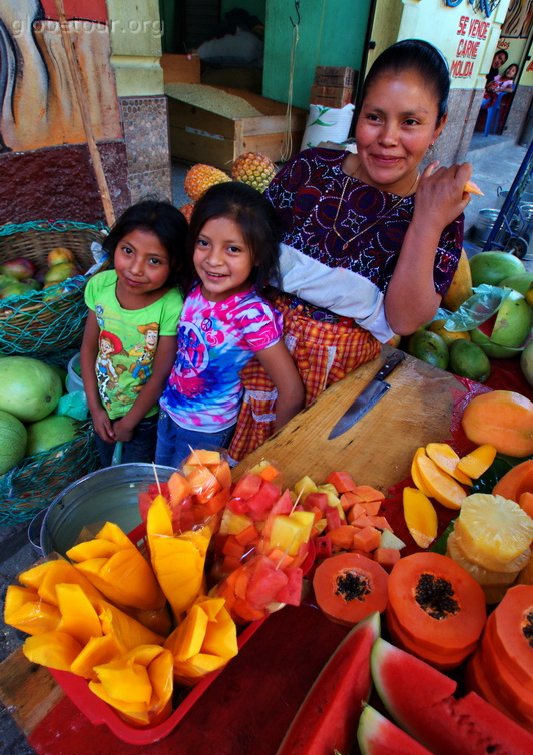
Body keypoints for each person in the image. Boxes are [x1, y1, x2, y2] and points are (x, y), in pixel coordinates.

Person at [228, 38, 471, 462]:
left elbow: (405, 318)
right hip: (253, 358)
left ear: (439, 126)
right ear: (357, 114)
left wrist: (427, 221)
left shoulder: (438, 209)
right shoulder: (309, 169)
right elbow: (248, 255)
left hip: (340, 384)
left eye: (410, 122)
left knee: (303, 491)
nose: (388, 139)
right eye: (375, 117)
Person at [155, 181, 305, 468]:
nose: (213, 260)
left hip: (206, 432)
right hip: (169, 411)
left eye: (233, 249)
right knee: (159, 487)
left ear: (258, 255)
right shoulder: (196, 288)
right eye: (203, 243)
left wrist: (277, 453)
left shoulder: (252, 315)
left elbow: (291, 390)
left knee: (185, 505)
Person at [81, 199, 187, 467]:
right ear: (114, 245)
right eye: (128, 251)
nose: (136, 268)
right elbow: (88, 350)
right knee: (107, 468)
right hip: (103, 407)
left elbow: (162, 372)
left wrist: (130, 421)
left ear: (174, 264)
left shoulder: (171, 304)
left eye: (154, 260)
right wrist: (95, 409)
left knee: (136, 480)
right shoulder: (100, 287)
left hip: (145, 417)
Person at [483, 63, 518, 136]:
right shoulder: (498, 77)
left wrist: (499, 89)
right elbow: (488, 84)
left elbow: (511, 90)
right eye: (509, 68)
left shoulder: (509, 82)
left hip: (493, 98)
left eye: (513, 70)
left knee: (482, 101)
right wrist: (490, 86)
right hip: (487, 92)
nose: (510, 71)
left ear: (514, 75)